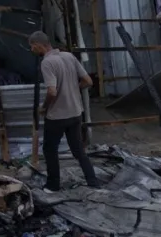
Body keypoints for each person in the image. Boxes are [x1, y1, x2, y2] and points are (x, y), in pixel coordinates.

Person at [28, 31, 100, 192]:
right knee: (78, 150)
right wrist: (73, 89)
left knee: (50, 150)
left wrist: (44, 107)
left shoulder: (47, 63)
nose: (32, 50)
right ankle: (93, 181)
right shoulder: (69, 56)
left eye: (32, 47)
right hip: (75, 113)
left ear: (38, 45)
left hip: (57, 116)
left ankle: (53, 185)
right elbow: (88, 81)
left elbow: (52, 91)